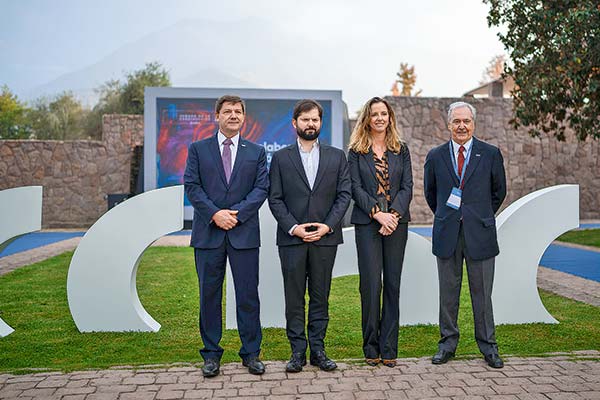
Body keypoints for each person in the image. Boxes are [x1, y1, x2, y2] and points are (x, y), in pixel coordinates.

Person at [183, 95, 269, 377]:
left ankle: (251, 353)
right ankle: (211, 355)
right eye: (228, 111)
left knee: (247, 296)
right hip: (208, 234)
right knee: (209, 296)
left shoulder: (256, 152)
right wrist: (215, 214)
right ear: (216, 116)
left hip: (244, 234)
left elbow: (261, 189)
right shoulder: (198, 149)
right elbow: (192, 186)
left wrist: (236, 214)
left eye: (238, 111)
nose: (233, 115)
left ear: (244, 117)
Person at [268, 99, 351, 372]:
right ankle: (296, 353)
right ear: (295, 123)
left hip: (325, 239)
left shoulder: (337, 156)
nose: (310, 124)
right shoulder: (281, 158)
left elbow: (343, 195)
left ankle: (318, 350)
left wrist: (328, 226)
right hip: (292, 239)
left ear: (320, 123)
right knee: (294, 297)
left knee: (320, 297)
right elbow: (275, 199)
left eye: (315, 119)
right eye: (305, 119)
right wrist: (294, 227)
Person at [424, 101, 507, 368]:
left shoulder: (490, 153)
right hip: (447, 233)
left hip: (479, 234)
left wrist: (478, 215)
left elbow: (499, 192)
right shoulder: (435, 156)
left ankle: (489, 347)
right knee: (448, 295)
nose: (461, 126)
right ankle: (447, 344)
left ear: (473, 124)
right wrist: (451, 216)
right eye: (456, 121)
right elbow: (431, 194)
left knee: (482, 296)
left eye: (466, 121)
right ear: (448, 125)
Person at [347, 97, 413, 368]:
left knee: (393, 286)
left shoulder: (402, 149)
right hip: (368, 225)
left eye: (383, 113)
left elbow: (407, 187)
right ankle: (371, 347)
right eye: (374, 114)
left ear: (390, 118)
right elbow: (354, 187)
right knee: (371, 286)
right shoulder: (356, 151)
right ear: (367, 118)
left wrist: (393, 215)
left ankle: (389, 348)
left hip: (397, 224)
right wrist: (378, 214)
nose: (379, 118)